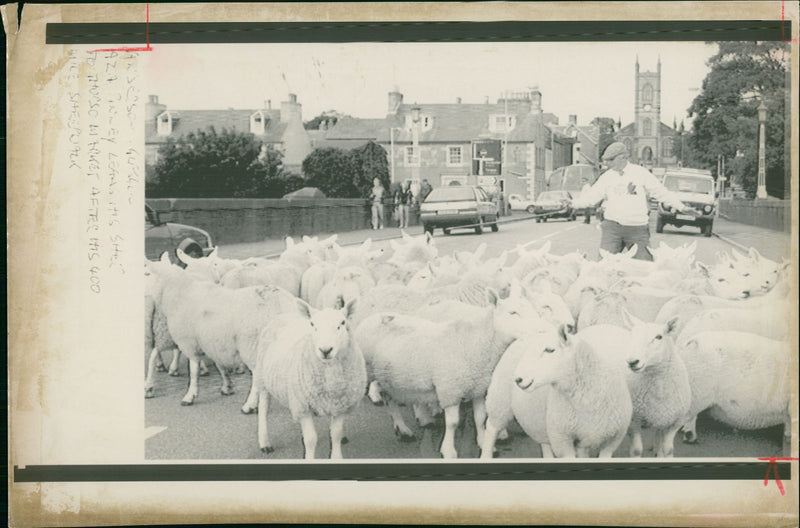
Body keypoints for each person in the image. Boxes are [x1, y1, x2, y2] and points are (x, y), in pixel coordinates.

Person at [570, 142, 698, 261]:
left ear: (623, 157)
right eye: (605, 161)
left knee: (644, 268)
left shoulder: (640, 173)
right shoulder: (606, 177)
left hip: (637, 230)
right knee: (603, 268)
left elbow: (660, 192)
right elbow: (591, 197)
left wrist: (681, 207)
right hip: (612, 229)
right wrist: (572, 203)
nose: (607, 164)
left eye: (610, 160)